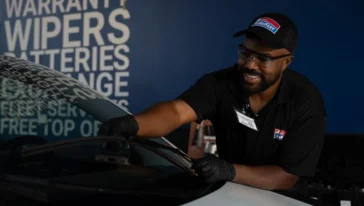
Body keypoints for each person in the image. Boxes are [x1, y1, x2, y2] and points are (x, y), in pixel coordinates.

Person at [99, 13, 326, 195]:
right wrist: (133, 124)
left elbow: (286, 176)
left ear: (286, 62)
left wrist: (228, 170)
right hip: (227, 193)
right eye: (245, 53)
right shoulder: (220, 84)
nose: (250, 65)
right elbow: (177, 111)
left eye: (263, 58)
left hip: (283, 198)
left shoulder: (306, 102)